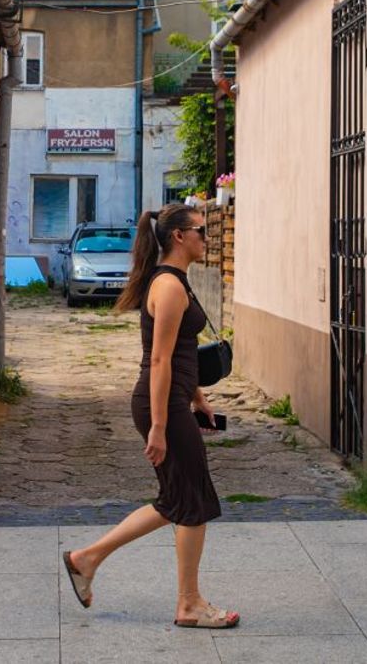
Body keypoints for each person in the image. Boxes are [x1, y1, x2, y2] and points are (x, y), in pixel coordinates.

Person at [61, 203, 239, 628]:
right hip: (162, 404)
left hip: (174, 400)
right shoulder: (169, 286)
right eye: (201, 231)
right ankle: (189, 604)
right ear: (179, 236)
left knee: (177, 499)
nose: (207, 238)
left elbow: (180, 353)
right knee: (192, 501)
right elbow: (159, 360)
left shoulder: (176, 280)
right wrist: (159, 426)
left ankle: (87, 559)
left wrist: (198, 398)